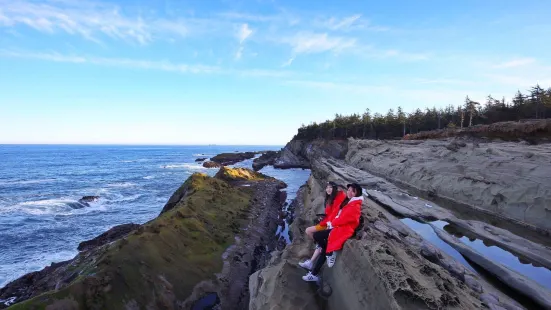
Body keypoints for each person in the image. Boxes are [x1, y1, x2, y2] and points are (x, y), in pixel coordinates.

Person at [302, 183, 363, 282]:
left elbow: (343, 219)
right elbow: (337, 215)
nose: (350, 192)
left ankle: (321, 256)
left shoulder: (354, 205)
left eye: (353, 191)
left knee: (318, 237)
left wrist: (331, 223)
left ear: (357, 194)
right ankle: (314, 273)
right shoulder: (348, 202)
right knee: (324, 248)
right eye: (349, 190)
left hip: (341, 229)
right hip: (337, 226)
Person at [299, 182, 346, 270]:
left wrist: (326, 223)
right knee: (318, 243)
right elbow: (330, 213)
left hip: (330, 224)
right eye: (327, 187)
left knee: (308, 231)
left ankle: (321, 246)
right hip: (327, 222)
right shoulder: (330, 198)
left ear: (335, 188)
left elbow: (334, 213)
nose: (328, 189)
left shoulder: (337, 198)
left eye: (330, 187)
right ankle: (311, 262)